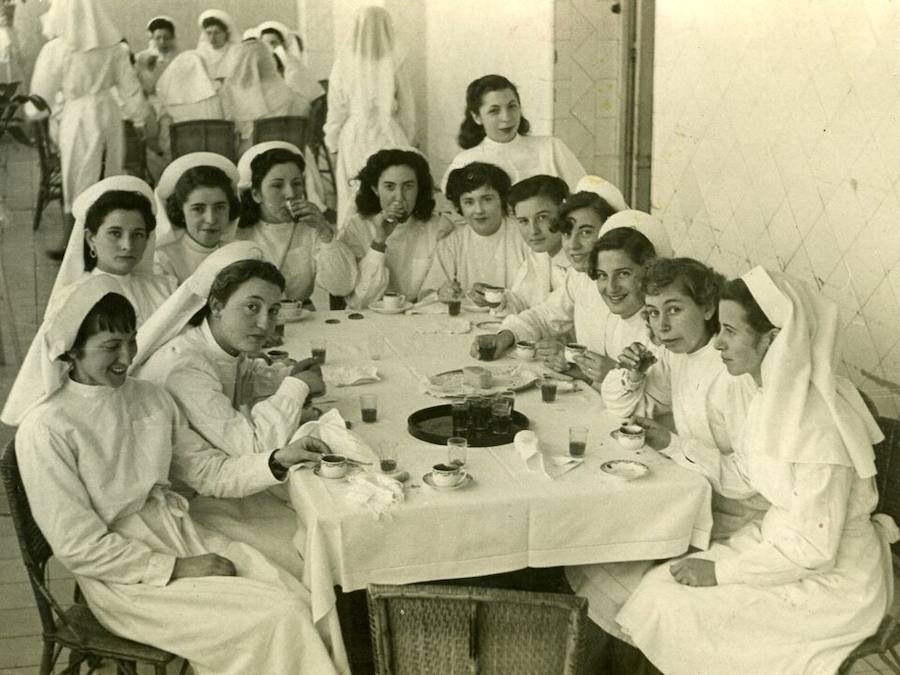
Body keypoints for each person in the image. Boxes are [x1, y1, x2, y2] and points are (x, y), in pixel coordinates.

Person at [8, 274, 345, 674]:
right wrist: (176, 568)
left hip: (178, 533)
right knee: (281, 616)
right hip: (125, 577)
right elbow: (79, 547)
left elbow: (209, 472)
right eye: (110, 346)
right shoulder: (47, 429)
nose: (126, 357)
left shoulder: (149, 397)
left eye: (131, 340)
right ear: (71, 353)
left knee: (303, 594)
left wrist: (278, 460)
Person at [610, 267, 897, 675]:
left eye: (730, 331)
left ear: (774, 339)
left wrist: (721, 571)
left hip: (834, 583)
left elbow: (815, 549)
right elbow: (744, 476)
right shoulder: (770, 398)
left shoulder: (817, 424)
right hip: (778, 547)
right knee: (660, 588)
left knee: (679, 607)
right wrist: (673, 444)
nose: (719, 343)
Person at [566, 259, 766, 652]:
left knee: (611, 564)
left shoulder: (733, 374)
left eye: (674, 310)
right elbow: (626, 409)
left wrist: (674, 445)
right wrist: (632, 374)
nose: (662, 326)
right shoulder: (678, 355)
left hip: (742, 516)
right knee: (591, 554)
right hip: (698, 495)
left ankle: (631, 657)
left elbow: (750, 480)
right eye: (654, 313)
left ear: (708, 308)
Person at [134, 243, 325, 578]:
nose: (265, 323)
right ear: (216, 305)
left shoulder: (218, 345)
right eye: (252, 307)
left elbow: (242, 379)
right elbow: (252, 446)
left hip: (224, 482)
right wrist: (297, 387)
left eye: (273, 309)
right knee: (311, 550)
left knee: (320, 521)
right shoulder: (183, 364)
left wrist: (287, 379)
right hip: (188, 507)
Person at [26, 0, 148, 259]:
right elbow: (130, 88)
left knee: (77, 174)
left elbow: (41, 95)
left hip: (78, 115)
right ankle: (100, 239)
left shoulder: (57, 50)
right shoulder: (115, 48)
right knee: (108, 170)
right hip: (109, 114)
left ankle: (76, 240)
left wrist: (34, 111)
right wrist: (139, 119)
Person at [324, 5, 416, 229]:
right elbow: (407, 108)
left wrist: (333, 144)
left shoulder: (343, 64)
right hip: (388, 133)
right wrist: (409, 138)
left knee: (359, 191)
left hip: (354, 135)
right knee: (386, 188)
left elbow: (335, 110)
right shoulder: (395, 62)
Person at [235, 142, 357, 302]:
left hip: (300, 316)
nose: (290, 193)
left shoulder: (311, 229)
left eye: (296, 184)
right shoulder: (237, 233)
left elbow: (342, 287)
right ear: (256, 194)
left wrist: (324, 231)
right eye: (277, 185)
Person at [47, 176, 175, 326]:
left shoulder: (164, 290)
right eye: (115, 233)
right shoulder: (73, 299)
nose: (127, 245)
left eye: (137, 234)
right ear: (91, 238)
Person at [339, 148, 452, 309]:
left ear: (419, 189)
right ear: (375, 189)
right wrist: (379, 242)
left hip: (420, 317)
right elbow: (359, 301)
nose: (399, 197)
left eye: (408, 186)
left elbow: (437, 296)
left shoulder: (438, 227)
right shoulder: (357, 227)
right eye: (390, 187)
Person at [441, 74, 585, 192]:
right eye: (494, 111)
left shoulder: (551, 148)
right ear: (477, 117)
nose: (507, 117)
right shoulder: (465, 161)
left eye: (512, 107)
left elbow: (585, 196)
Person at [419, 162, 527, 303]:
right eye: (469, 202)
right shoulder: (452, 242)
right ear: (460, 207)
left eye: (487, 199)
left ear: (502, 200)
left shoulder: (523, 235)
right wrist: (442, 294)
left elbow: (537, 294)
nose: (479, 210)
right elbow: (427, 296)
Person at [153, 152, 241, 284]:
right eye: (198, 209)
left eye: (219, 207)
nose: (211, 219)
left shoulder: (240, 253)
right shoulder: (164, 259)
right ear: (180, 212)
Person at [221, 41, 314, 155]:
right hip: (289, 152)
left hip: (249, 155)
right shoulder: (285, 92)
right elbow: (304, 111)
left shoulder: (230, 94)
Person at [502, 175, 571, 313]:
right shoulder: (539, 255)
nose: (533, 231)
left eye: (542, 217)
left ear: (563, 213)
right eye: (523, 221)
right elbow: (521, 300)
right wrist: (496, 300)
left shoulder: (577, 260)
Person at [154, 50, 224, 163]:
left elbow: (165, 144)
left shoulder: (168, 105)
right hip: (217, 161)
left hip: (182, 164)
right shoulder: (216, 97)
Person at [257, 20, 325, 103]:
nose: (270, 48)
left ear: (283, 45)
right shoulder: (262, 68)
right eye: (265, 44)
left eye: (273, 43)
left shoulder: (294, 68)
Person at [135, 16, 178, 99]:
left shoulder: (180, 58)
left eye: (166, 38)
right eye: (158, 38)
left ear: (172, 38)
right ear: (152, 39)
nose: (162, 42)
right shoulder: (140, 58)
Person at [196, 9, 240, 84]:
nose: (212, 37)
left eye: (217, 33)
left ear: (226, 33)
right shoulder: (200, 53)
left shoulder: (236, 51)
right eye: (208, 33)